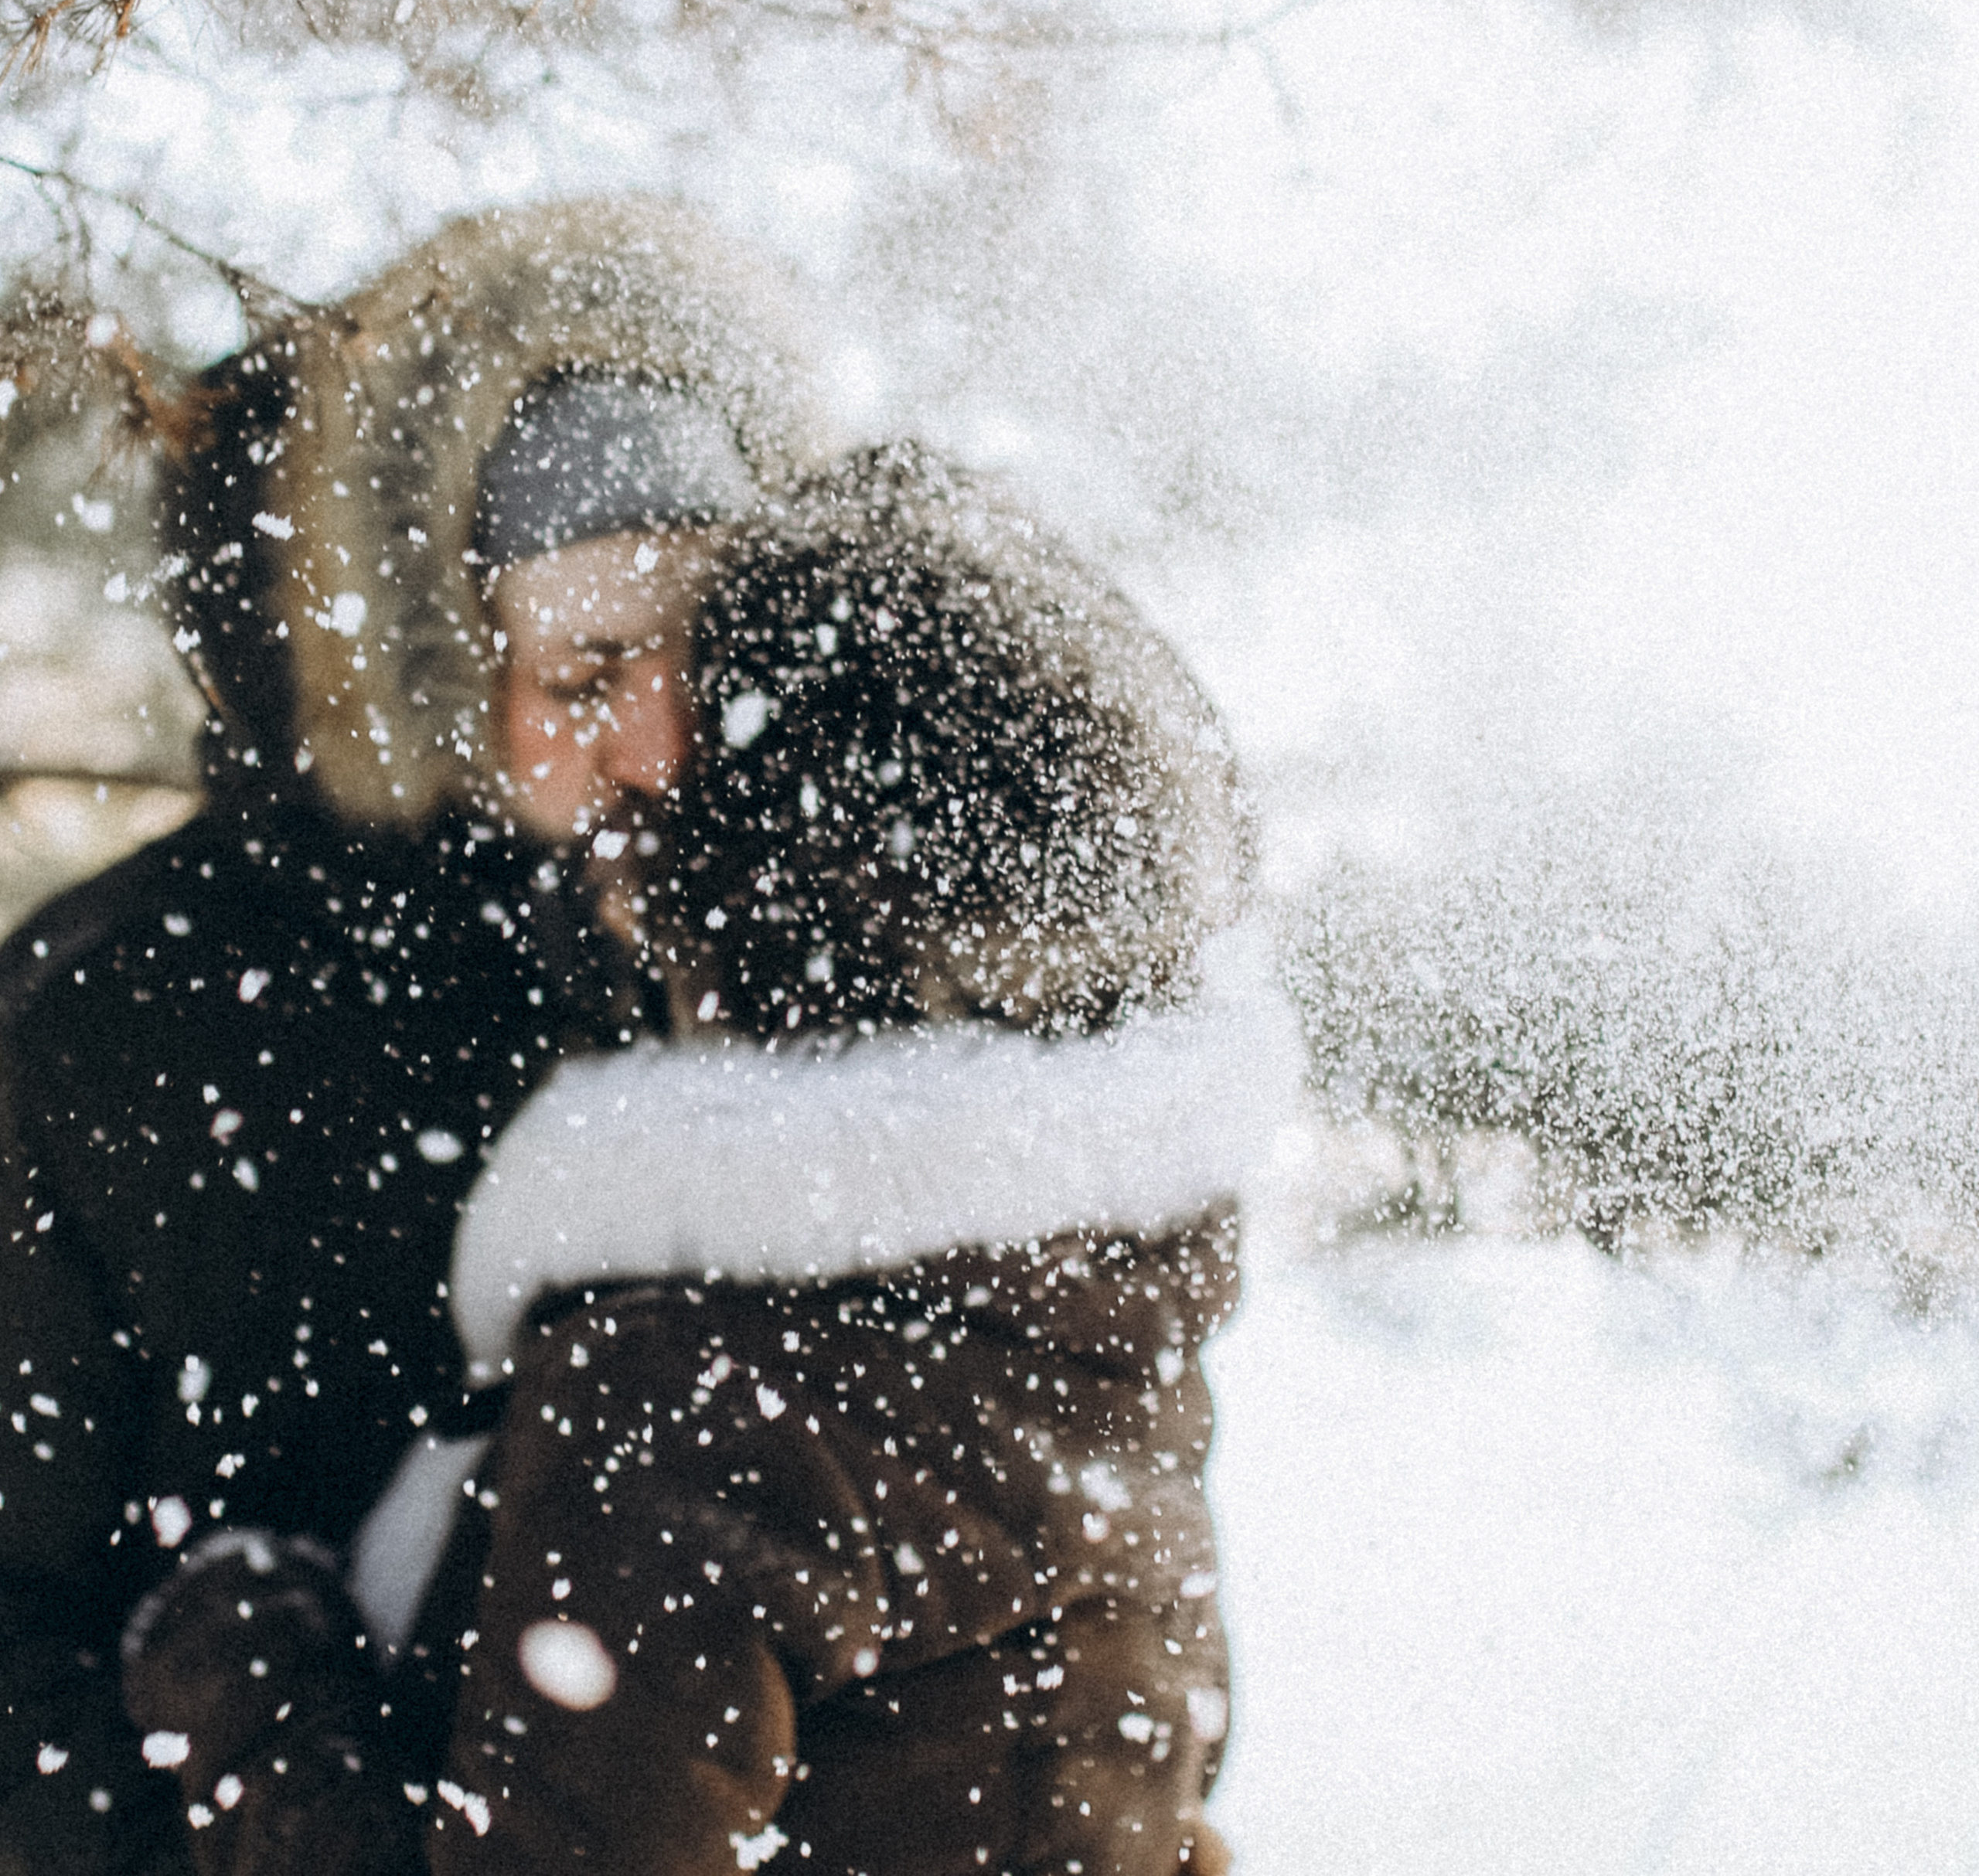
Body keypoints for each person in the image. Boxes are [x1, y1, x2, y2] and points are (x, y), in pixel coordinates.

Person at [0, 198, 824, 1874]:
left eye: (695, 656)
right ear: (436, 672)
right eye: (587, 669)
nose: (665, 747)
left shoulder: (754, 971)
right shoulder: (104, 1025)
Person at [422, 445, 1265, 1876]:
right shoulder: (1095, 1308)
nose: (607, 782)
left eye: (662, 811)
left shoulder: (689, 1391)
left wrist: (251, 1681)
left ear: (772, 887)